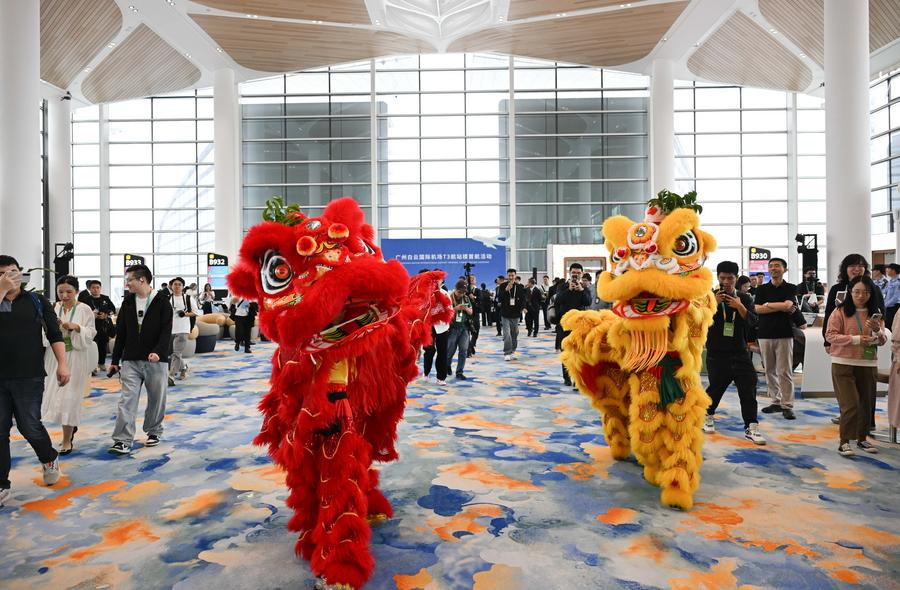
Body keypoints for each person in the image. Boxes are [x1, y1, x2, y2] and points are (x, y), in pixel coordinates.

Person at [0, 255, 69, 505]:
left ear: (21, 273)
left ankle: (49, 457)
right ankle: (1, 483)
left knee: (29, 425)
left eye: (12, 271)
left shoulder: (36, 301)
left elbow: (54, 334)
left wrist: (62, 364)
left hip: (29, 375)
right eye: (2, 274)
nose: (9, 277)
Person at [108, 264, 173, 455]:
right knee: (127, 400)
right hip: (131, 359)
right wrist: (115, 360)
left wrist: (158, 352)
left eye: (130, 280)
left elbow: (166, 331)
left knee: (156, 399)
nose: (127, 284)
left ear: (142, 279)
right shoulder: (128, 302)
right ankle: (122, 440)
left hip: (156, 360)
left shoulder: (162, 301)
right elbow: (121, 333)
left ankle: (154, 431)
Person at [702, 262, 765, 444]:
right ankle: (707, 415)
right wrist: (713, 305)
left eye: (730, 278)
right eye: (722, 278)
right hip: (716, 352)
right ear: (718, 278)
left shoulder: (744, 298)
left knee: (748, 388)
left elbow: (753, 322)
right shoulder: (708, 297)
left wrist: (740, 307)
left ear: (736, 278)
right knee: (716, 387)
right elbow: (698, 321)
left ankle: (751, 425)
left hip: (740, 351)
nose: (726, 281)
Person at [825, 276, 886, 456]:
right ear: (850, 292)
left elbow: (882, 340)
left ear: (871, 294)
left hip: (868, 363)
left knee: (866, 404)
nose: (861, 296)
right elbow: (830, 335)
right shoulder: (840, 311)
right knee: (850, 404)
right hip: (843, 363)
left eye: (865, 292)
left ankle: (862, 439)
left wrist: (877, 330)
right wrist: (857, 339)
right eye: (857, 292)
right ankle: (844, 441)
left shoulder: (875, 313)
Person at [41, 276, 98, 455]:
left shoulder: (84, 309)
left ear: (77, 291)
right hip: (55, 356)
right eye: (60, 292)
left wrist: (77, 327)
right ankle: (69, 428)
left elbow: (91, 332)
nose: (64, 295)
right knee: (53, 394)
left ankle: (67, 439)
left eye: (69, 292)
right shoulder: (53, 308)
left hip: (76, 356)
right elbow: (43, 330)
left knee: (70, 397)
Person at [754, 258, 802, 420]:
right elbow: (757, 309)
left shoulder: (790, 287)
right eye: (771, 266)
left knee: (784, 371)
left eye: (777, 266)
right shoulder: (761, 289)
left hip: (784, 334)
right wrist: (778, 306)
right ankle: (775, 401)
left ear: (784, 269)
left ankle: (787, 405)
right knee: (769, 370)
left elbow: (788, 306)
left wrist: (767, 304)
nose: (773, 268)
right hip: (765, 333)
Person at [554, 263, 592, 386]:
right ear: (569, 273)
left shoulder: (584, 287)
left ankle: (577, 379)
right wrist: (569, 290)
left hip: (579, 325)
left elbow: (588, 302)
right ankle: (567, 377)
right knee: (565, 351)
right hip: (564, 324)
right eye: (573, 273)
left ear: (582, 274)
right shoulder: (562, 286)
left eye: (578, 273)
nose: (576, 275)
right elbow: (557, 300)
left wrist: (581, 290)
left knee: (579, 352)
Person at [79, 279, 116, 374]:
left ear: (100, 288)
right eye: (93, 288)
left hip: (104, 325)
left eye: (97, 287)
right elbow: (81, 312)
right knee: (92, 345)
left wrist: (106, 315)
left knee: (103, 345)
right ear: (89, 289)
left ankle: (101, 363)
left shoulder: (105, 298)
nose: (95, 289)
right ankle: (93, 366)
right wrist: (91, 315)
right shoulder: (85, 300)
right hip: (91, 325)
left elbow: (113, 310)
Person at [421, 270, 451, 385]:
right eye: (435, 279)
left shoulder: (445, 293)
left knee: (442, 351)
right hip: (428, 325)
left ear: (442, 281)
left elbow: (450, 310)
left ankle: (441, 377)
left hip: (442, 327)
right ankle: (426, 372)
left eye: (439, 279)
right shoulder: (425, 293)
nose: (437, 281)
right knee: (429, 350)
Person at [168, 277, 197, 385]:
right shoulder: (167, 298)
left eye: (179, 284)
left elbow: (195, 312)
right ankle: (183, 367)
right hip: (170, 329)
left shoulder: (188, 298)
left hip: (183, 328)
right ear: (171, 286)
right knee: (175, 353)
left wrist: (185, 314)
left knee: (176, 353)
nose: (177, 286)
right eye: (175, 284)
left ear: (183, 287)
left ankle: (171, 375)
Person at [446, 279, 474, 380]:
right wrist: (455, 308)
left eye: (463, 292)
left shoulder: (466, 298)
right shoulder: (449, 297)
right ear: (455, 289)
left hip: (464, 328)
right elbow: (445, 312)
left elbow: (471, 312)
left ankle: (459, 372)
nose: (461, 294)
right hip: (452, 328)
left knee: (463, 351)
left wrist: (465, 308)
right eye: (459, 292)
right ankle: (447, 366)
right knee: (450, 351)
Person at [497, 269, 527, 361]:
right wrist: (506, 290)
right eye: (509, 275)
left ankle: (513, 351)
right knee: (507, 334)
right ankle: (507, 352)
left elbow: (523, 299)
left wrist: (523, 308)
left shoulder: (520, 287)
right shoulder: (502, 286)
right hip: (505, 314)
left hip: (516, 314)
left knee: (514, 334)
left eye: (512, 275)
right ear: (507, 276)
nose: (510, 277)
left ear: (515, 276)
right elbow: (499, 299)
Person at [466, 274, 480, 358]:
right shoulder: (465, 290)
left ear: (475, 281)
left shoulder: (478, 290)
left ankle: (471, 345)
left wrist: (474, 297)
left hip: (475, 313)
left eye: (473, 279)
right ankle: (468, 350)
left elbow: (480, 301)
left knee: (476, 331)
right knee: (466, 333)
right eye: (470, 279)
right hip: (466, 313)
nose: (471, 281)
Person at [883, 263, 900, 329]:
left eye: (888, 268)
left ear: (893, 270)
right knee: (887, 325)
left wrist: (885, 305)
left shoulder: (898, 283)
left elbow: (896, 298)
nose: (887, 270)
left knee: (892, 326)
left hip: (894, 307)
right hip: (888, 307)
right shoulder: (890, 281)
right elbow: (885, 293)